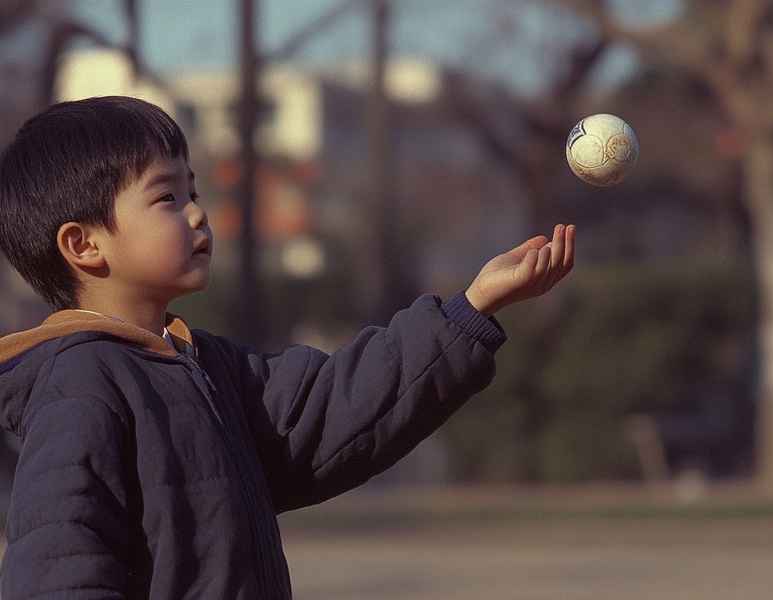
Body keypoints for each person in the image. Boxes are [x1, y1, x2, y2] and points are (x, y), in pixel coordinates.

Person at [0, 96, 575, 599]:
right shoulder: (79, 386)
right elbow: (59, 566)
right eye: (167, 197)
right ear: (84, 245)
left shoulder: (208, 366)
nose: (197, 211)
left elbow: (335, 408)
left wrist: (472, 306)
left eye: (192, 190)